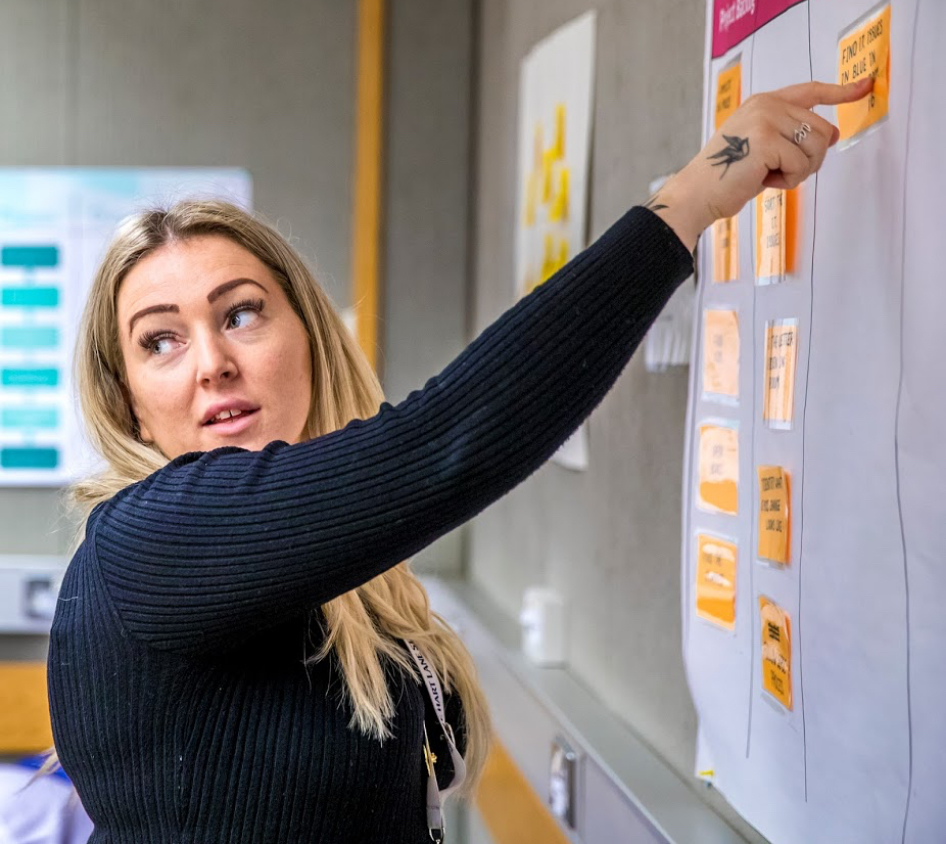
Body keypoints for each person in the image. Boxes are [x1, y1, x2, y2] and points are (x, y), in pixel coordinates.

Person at [46, 78, 871, 843]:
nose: (210, 362)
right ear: (127, 403)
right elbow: (445, 442)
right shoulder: (149, 543)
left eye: (242, 315)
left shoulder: (328, 570)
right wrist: (688, 205)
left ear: (308, 336)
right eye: (161, 340)